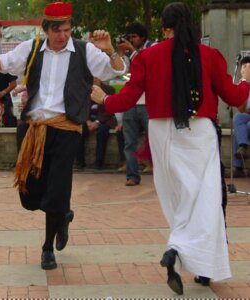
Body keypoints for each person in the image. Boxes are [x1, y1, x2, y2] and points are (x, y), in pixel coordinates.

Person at [91, 2, 250, 295]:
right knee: (204, 200)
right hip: (200, 132)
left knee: (178, 200)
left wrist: (104, 100)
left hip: (161, 131)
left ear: (165, 29)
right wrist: (246, 79)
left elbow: (127, 98)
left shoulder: (147, 57)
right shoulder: (210, 56)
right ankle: (179, 251)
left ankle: (181, 250)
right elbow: (233, 95)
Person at [0, 1, 126, 270]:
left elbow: (117, 70)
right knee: (29, 196)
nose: (62, 35)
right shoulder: (31, 49)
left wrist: (110, 50)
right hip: (32, 129)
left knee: (57, 191)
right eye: (57, 31)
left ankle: (47, 247)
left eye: (66, 29)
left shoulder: (83, 50)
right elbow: (0, 65)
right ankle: (62, 214)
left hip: (66, 131)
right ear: (47, 29)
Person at [116, 22, 153, 186]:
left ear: (143, 37)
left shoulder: (152, 48)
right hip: (131, 102)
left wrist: (131, 50)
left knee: (155, 140)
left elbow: (146, 65)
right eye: (129, 37)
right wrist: (119, 53)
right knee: (129, 142)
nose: (131, 40)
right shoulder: (130, 53)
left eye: (134, 37)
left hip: (149, 103)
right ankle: (132, 175)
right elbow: (121, 71)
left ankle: (161, 174)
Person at [76, 78, 123, 170]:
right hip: (88, 119)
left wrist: (97, 122)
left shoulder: (109, 90)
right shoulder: (85, 90)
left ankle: (99, 162)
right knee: (79, 130)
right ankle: (80, 162)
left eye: (96, 78)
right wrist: (87, 121)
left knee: (102, 131)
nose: (94, 79)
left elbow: (109, 109)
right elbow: (82, 108)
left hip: (104, 120)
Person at [232, 56, 250, 175]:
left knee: (245, 126)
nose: (244, 70)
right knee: (238, 118)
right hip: (246, 116)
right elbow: (241, 108)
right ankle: (243, 147)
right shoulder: (243, 85)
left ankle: (238, 166)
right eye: (243, 67)